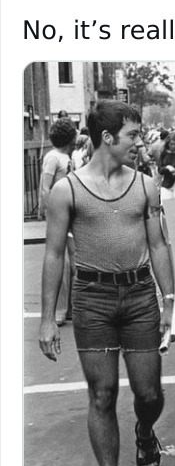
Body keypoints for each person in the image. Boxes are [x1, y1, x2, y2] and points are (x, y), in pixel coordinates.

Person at [39, 101, 175, 466]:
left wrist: (169, 302)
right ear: (107, 138)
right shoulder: (67, 190)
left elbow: (159, 245)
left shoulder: (145, 185)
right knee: (102, 393)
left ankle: (145, 430)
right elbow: (52, 254)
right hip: (92, 297)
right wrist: (48, 318)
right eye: (133, 135)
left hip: (138, 297)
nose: (140, 142)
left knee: (149, 393)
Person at [39, 118, 77, 326]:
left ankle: (71, 308)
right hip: (59, 213)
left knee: (73, 261)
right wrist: (51, 213)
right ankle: (60, 311)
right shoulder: (53, 157)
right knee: (60, 263)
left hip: (70, 211)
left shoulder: (65, 156)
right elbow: (46, 187)